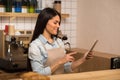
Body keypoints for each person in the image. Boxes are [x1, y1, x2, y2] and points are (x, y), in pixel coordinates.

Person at [28, 7, 93, 75]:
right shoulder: (35, 45)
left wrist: (83, 59)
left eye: (59, 23)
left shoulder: (59, 42)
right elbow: (38, 74)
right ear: (44, 22)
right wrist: (60, 62)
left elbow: (65, 68)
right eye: (55, 23)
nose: (58, 26)